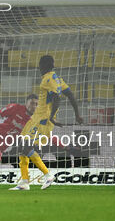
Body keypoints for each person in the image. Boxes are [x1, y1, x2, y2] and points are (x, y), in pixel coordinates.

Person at [10, 55, 83, 191]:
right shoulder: (58, 79)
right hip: (37, 118)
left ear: (41, 66)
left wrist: (51, 117)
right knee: (22, 146)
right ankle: (24, 182)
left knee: (25, 146)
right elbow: (70, 95)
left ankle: (47, 175)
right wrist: (77, 114)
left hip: (42, 119)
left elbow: (57, 98)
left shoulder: (47, 79)